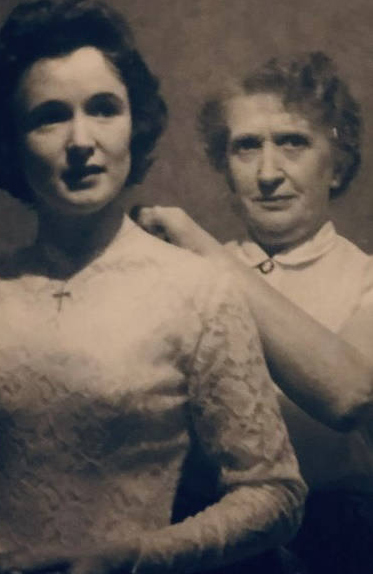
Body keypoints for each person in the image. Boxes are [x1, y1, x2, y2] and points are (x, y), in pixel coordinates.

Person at [0, 0, 305, 574]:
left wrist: (130, 557)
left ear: (135, 125)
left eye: (104, 109)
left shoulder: (199, 292)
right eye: (49, 116)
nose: (81, 140)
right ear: (12, 140)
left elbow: (274, 493)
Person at [135, 51, 373, 573]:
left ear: (337, 164)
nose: (267, 173)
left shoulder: (366, 279)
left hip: (337, 547)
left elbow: (351, 396)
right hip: (203, 546)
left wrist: (201, 249)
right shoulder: (177, 273)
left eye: (292, 142)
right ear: (226, 167)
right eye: (246, 147)